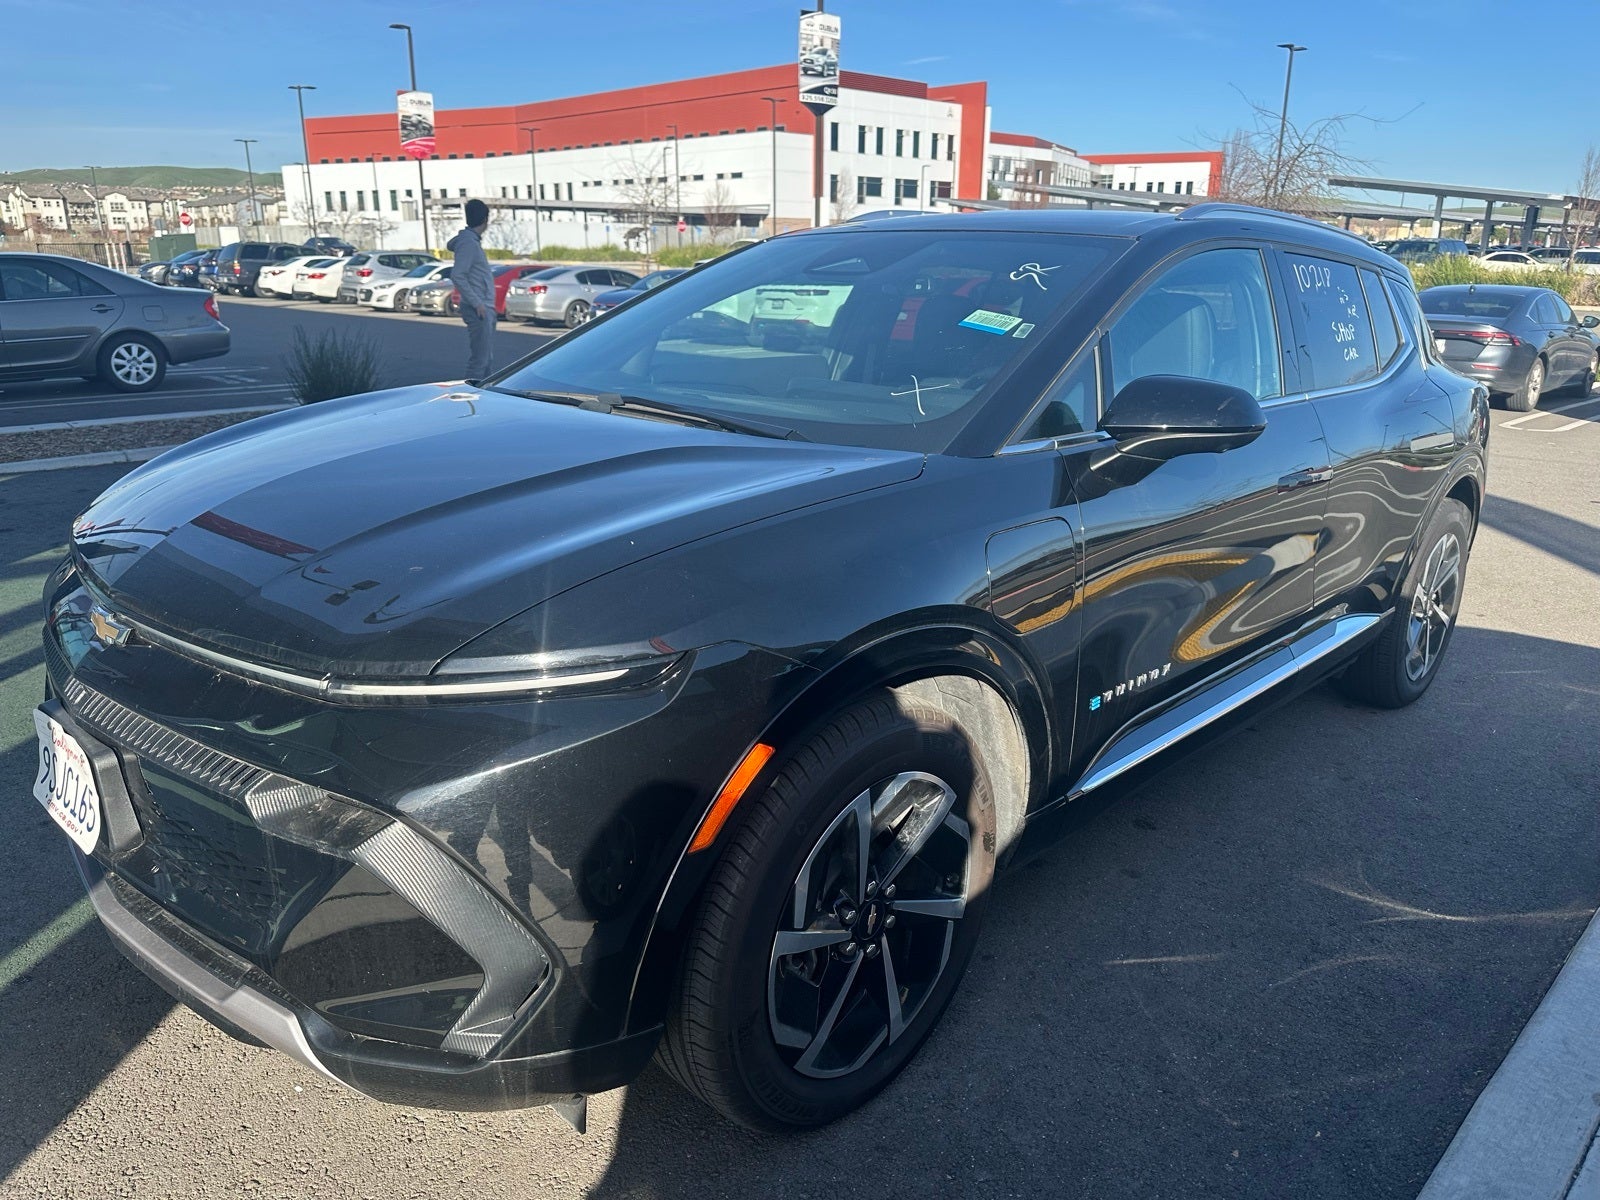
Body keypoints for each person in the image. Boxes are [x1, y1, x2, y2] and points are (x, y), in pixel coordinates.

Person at [447, 199, 495, 381]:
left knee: (486, 360)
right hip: (479, 309)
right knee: (480, 361)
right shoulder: (468, 243)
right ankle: (470, 396)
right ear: (485, 219)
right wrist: (478, 303)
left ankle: (485, 397)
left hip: (483, 306)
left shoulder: (468, 241)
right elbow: (457, 274)